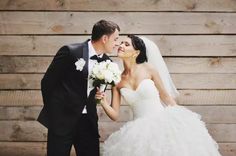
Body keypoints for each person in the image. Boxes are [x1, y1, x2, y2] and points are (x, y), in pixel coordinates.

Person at [96, 35, 222, 156]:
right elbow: (115, 115)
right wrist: (103, 103)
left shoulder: (149, 69)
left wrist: (182, 118)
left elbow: (165, 96)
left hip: (162, 122)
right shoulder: (117, 80)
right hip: (138, 131)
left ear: (136, 53)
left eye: (126, 44)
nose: (121, 45)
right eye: (121, 42)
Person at [37, 20, 120, 156]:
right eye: (115, 39)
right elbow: (47, 82)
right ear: (105, 38)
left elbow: (98, 91)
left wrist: (100, 99)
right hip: (62, 121)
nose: (117, 43)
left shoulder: (108, 63)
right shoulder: (70, 52)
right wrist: (55, 113)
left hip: (88, 123)